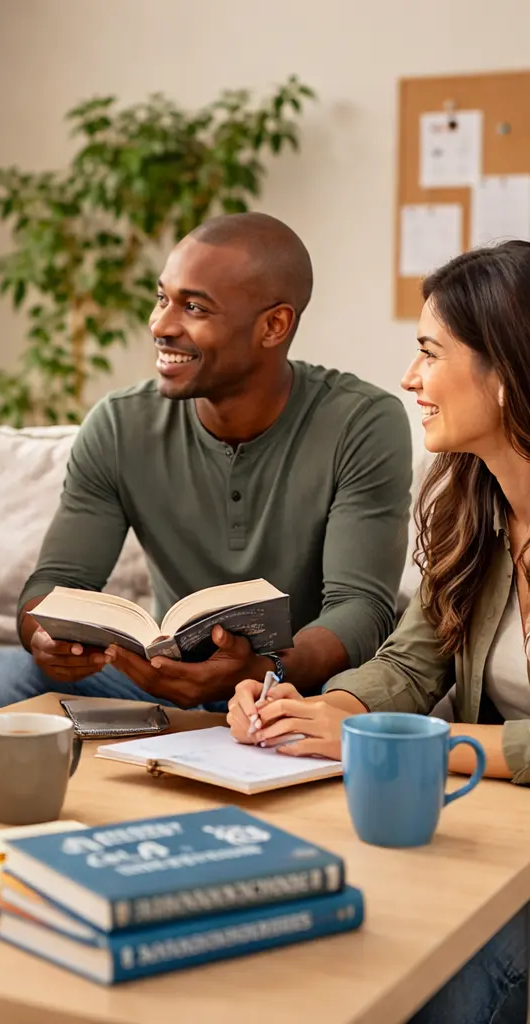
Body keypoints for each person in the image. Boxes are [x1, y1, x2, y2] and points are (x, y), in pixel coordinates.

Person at [226, 240, 530, 1024]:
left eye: (430, 352)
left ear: (505, 372)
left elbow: (449, 734)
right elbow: (411, 659)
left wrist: (436, 748)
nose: (409, 379)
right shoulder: (475, 506)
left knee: (449, 990)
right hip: (495, 829)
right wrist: (329, 712)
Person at [0, 212, 413, 718]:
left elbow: (361, 609)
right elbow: (55, 582)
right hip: (156, 683)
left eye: (194, 307)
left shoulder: (362, 422)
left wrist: (263, 671)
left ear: (273, 326)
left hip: (299, 689)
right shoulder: (118, 424)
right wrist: (46, 636)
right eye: (162, 298)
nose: (161, 325)